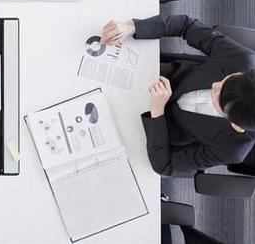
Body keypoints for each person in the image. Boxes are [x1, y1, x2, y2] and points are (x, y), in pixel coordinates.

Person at [100, 14, 255, 176]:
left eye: (217, 98)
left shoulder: (233, 148)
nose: (215, 85)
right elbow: (186, 25)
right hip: (149, 74)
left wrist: (157, 112)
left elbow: (164, 165)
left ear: (236, 125)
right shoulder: (242, 60)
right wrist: (133, 27)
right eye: (225, 80)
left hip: (143, 128)